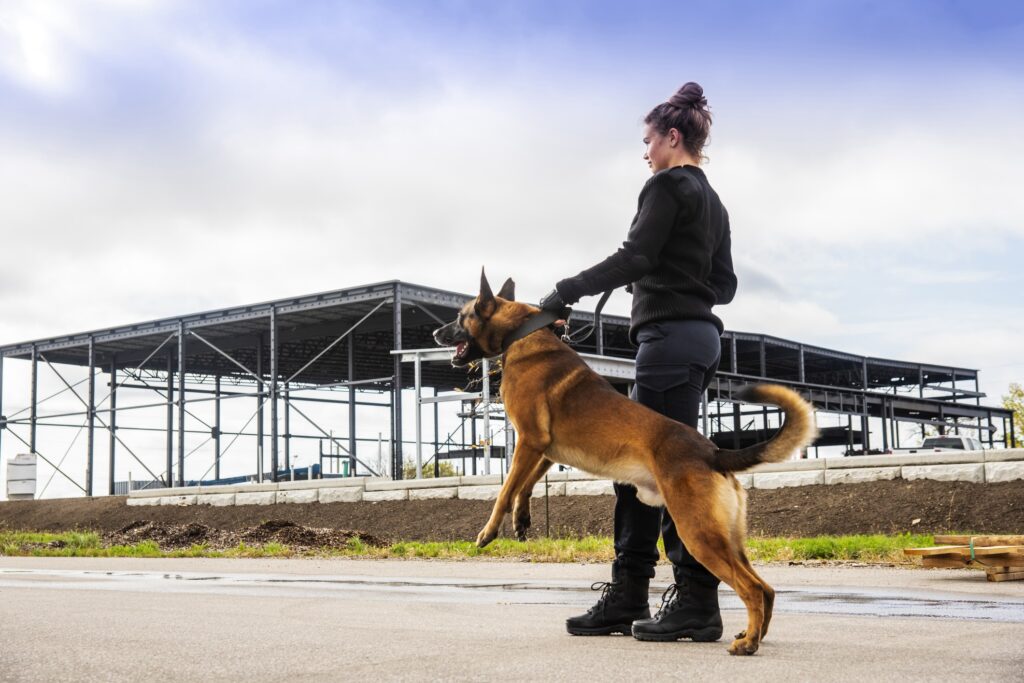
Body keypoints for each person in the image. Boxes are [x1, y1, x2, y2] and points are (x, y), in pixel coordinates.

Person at [538, 82, 738, 642]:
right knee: (655, 469)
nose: (645, 153)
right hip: (699, 340)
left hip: (670, 341)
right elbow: (724, 284)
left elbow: (637, 256)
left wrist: (566, 290)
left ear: (672, 138)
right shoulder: (713, 201)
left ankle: (684, 600)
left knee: (659, 472)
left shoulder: (667, 185)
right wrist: (678, 283)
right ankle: (642, 595)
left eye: (648, 141)